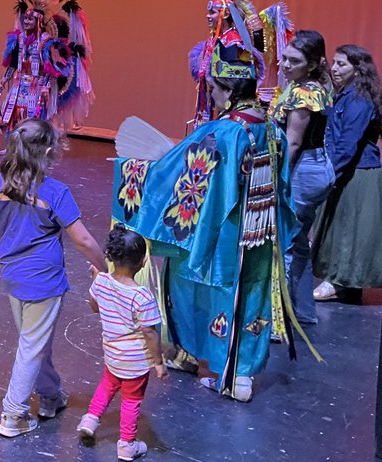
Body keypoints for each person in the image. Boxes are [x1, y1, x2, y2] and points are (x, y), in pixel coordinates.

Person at [113, 39, 303, 402]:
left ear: (229, 89)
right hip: (260, 234)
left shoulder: (224, 132)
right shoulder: (272, 128)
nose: (211, 94)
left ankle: (221, 369)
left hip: (225, 234)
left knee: (213, 290)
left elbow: (173, 175)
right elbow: (282, 188)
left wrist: (132, 170)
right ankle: (240, 374)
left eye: (214, 88)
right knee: (251, 294)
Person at [0, 119, 105, 437]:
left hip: (14, 278)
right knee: (32, 345)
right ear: (48, 152)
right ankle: (13, 414)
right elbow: (83, 240)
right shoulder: (55, 192)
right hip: (44, 283)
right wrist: (104, 268)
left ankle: (50, 397)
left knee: (35, 342)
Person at [77, 225, 166, 462]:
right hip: (135, 362)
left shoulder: (101, 282)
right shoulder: (142, 297)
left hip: (112, 354)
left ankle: (90, 420)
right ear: (143, 261)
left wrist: (95, 282)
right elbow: (150, 333)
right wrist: (158, 362)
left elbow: (95, 307)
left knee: (107, 384)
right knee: (131, 400)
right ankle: (127, 444)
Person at [271, 30, 334, 326]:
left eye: (293, 61)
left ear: (311, 65)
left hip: (303, 169)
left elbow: (293, 142)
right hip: (316, 168)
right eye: (283, 58)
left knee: (283, 240)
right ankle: (304, 312)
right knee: (297, 244)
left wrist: (278, 177)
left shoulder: (303, 92)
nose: (284, 65)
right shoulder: (312, 86)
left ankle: (277, 320)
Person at [312, 45, 382, 303]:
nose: (335, 68)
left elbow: (347, 143)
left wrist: (329, 173)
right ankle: (343, 282)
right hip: (349, 170)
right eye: (335, 63)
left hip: (357, 171)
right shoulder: (346, 96)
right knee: (341, 226)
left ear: (358, 69)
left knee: (348, 230)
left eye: (342, 64)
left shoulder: (359, 100)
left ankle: (339, 282)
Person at [189, 0, 293, 128]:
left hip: (231, 105)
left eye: (212, 13)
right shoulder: (215, 40)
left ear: (226, 14)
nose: (208, 16)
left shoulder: (234, 41)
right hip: (216, 100)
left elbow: (241, 79)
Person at [0, 0, 93, 137]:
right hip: (19, 83)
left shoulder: (46, 42)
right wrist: (4, 79)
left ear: (38, 22)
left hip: (36, 85)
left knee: (34, 118)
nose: (26, 21)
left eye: (30, 19)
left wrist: (46, 87)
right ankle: (13, 147)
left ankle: (34, 149)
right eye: (26, 19)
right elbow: (14, 63)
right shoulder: (19, 39)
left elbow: (50, 69)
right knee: (11, 115)